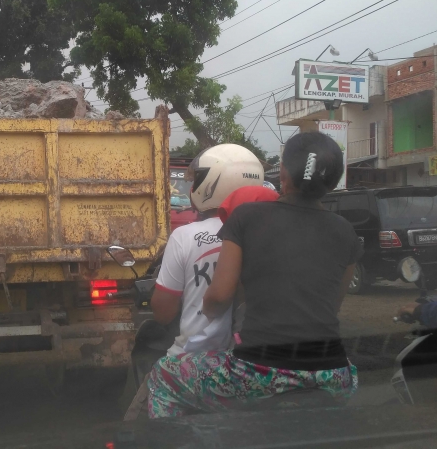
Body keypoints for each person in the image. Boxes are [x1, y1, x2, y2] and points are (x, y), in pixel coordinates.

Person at [147, 132, 361, 419]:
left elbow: (219, 298)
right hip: (334, 376)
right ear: (334, 179)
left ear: (283, 172)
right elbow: (333, 304)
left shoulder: (247, 217)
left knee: (163, 376)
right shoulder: (345, 230)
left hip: (258, 373)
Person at [150, 145, 265, 357]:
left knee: (154, 386)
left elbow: (163, 313)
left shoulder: (184, 236)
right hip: (252, 356)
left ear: (211, 183)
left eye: (197, 180)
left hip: (195, 358)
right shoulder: (268, 232)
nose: (193, 187)